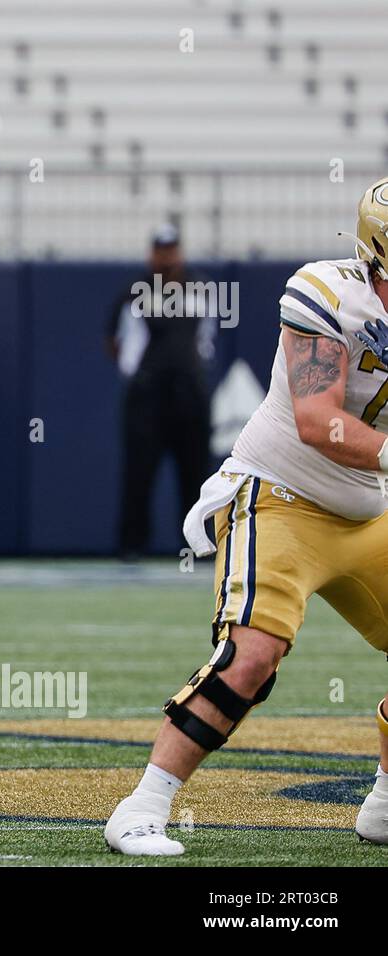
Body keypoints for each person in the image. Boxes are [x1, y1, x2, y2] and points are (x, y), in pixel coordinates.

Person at [105, 177, 388, 855]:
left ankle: (385, 800)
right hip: (283, 496)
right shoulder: (330, 294)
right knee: (253, 656)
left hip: (369, 508)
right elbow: (319, 423)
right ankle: (142, 806)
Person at [107, 224, 215, 558]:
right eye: (160, 249)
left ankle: (198, 547)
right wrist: (143, 375)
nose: (166, 256)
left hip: (189, 395)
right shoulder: (134, 291)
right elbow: (115, 341)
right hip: (147, 397)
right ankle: (132, 547)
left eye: (171, 249)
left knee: (196, 474)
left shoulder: (202, 289)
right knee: (139, 472)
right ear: (151, 253)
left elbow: (206, 340)